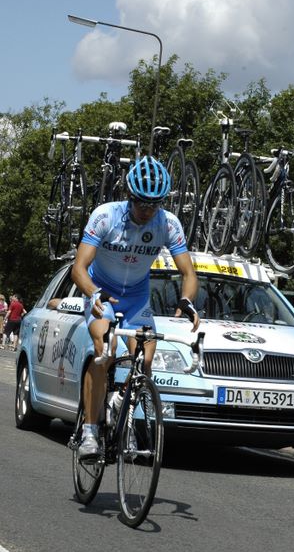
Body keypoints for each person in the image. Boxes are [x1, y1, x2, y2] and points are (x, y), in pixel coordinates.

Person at [71, 156, 200, 460]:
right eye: (142, 203)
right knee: (105, 351)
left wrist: (187, 300)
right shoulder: (106, 216)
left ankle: (119, 402)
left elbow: (188, 273)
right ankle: (89, 432)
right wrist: (93, 292)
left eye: (154, 204)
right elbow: (78, 268)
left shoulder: (168, 223)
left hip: (137, 298)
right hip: (102, 292)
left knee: (146, 360)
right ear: (129, 196)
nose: (147, 210)